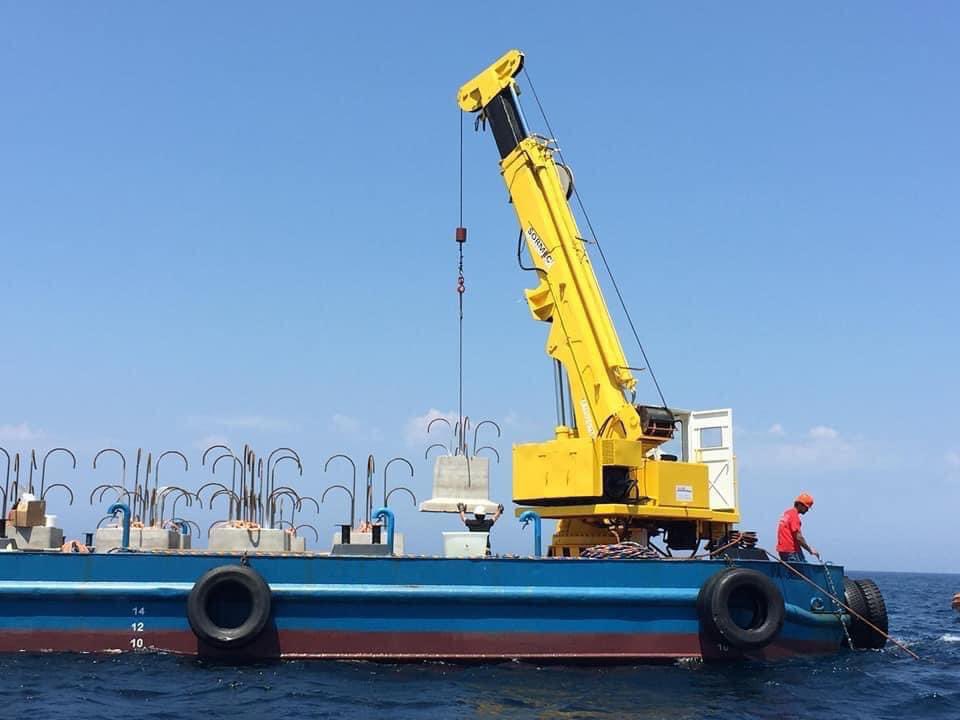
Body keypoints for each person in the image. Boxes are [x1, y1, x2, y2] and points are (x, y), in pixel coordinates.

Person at [777, 492, 819, 563]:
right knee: (804, 572)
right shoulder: (794, 516)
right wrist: (810, 550)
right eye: (806, 507)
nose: (807, 510)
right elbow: (799, 537)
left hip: (783, 551)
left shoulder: (787, 513)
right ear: (800, 505)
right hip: (791, 552)